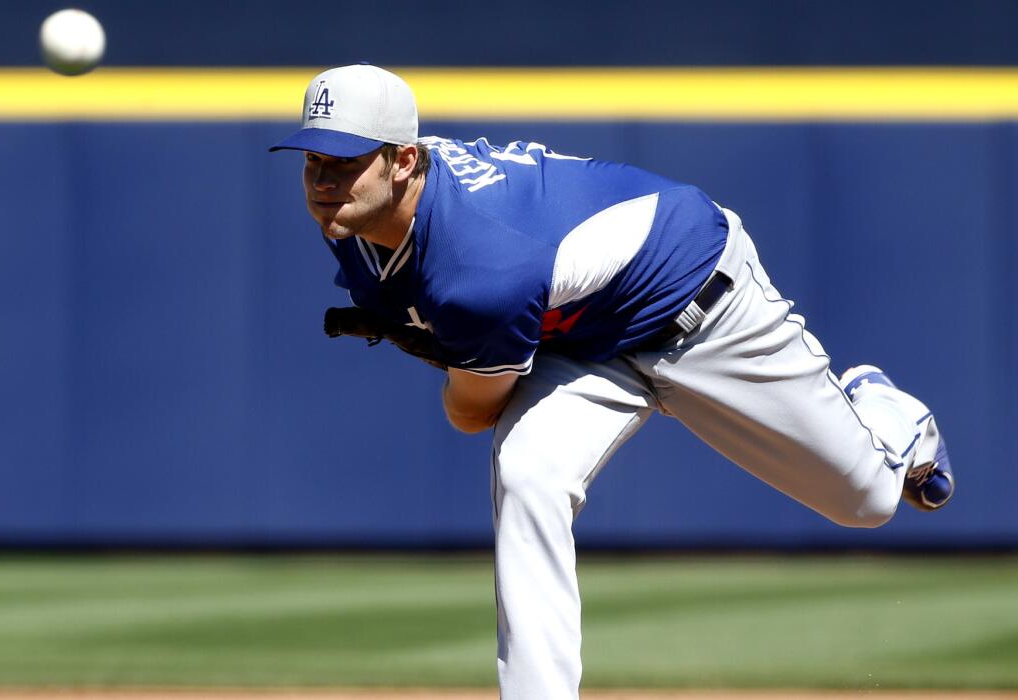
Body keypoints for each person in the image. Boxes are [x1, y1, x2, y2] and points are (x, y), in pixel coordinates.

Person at [270, 64, 955, 699]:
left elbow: (472, 412)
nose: (326, 179)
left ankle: (887, 411)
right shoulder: (353, 220)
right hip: (585, 335)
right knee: (528, 471)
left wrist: (459, 350)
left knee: (865, 498)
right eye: (315, 159)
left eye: (348, 161)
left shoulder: (480, 270)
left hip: (700, 305)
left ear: (404, 159)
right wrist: (457, 339)